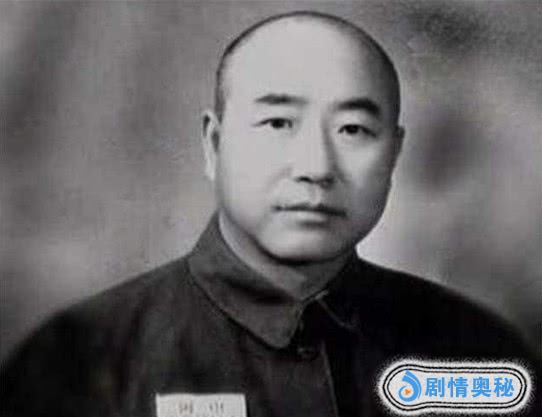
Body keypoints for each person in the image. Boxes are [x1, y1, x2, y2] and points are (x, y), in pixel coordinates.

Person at [1, 11, 540, 417]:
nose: (315, 167)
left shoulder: (478, 352)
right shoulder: (84, 360)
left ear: (394, 154)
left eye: (353, 130)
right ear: (214, 144)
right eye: (278, 123)